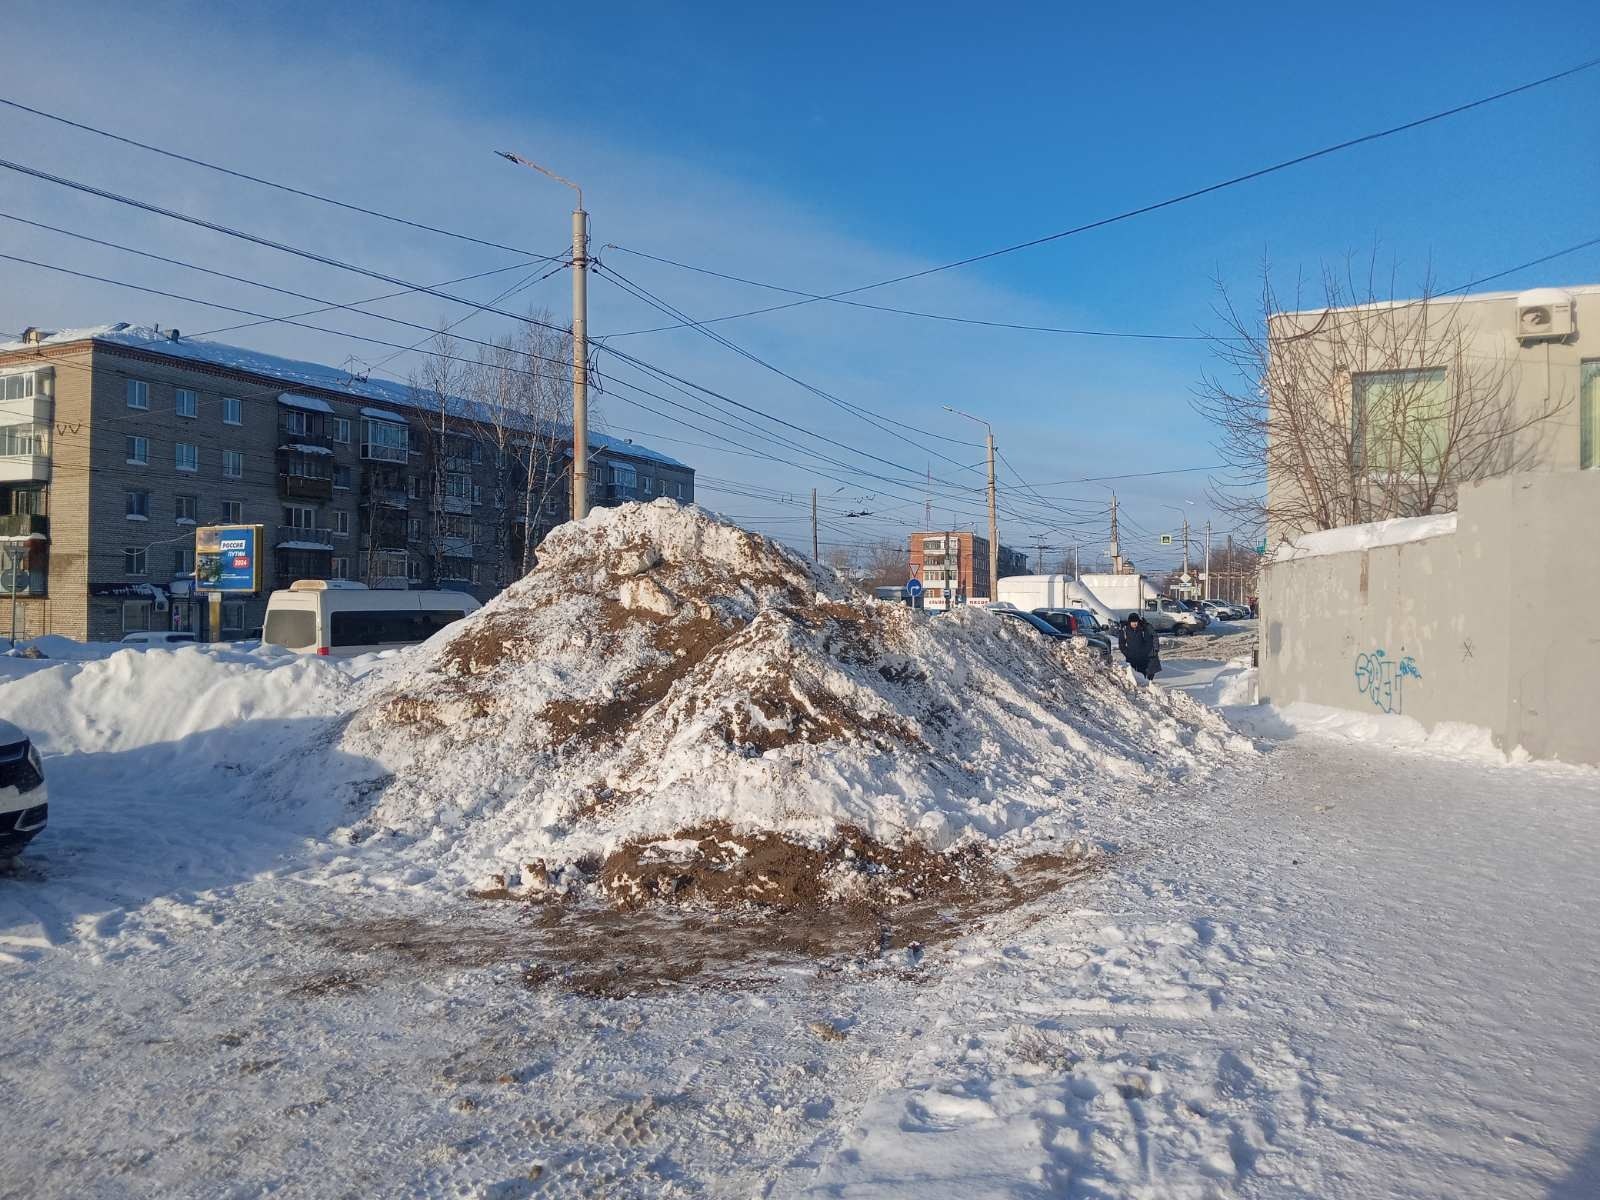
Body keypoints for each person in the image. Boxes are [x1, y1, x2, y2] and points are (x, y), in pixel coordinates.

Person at [1118, 612, 1160, 681]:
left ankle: (1148, 688)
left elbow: (1152, 639)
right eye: (1132, 622)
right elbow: (1121, 644)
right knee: (1133, 677)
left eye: (1136, 622)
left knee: (1145, 677)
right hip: (1132, 658)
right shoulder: (1125, 630)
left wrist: (1153, 650)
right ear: (1129, 622)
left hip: (1144, 658)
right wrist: (1127, 653)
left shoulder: (1143, 628)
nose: (1134, 624)